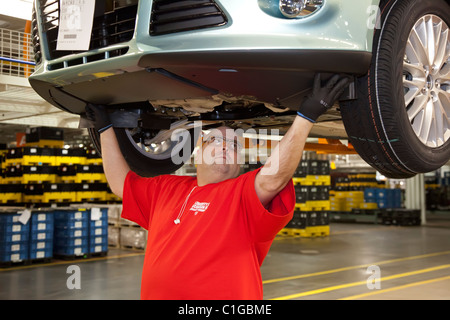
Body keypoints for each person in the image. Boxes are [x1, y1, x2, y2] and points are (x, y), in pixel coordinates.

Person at [86, 73, 349, 300]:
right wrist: (106, 128)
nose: (225, 146)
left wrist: (306, 116)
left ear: (240, 163)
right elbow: (121, 183)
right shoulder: (166, 188)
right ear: (196, 152)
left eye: (234, 145)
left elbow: (273, 177)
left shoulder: (241, 195)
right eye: (214, 140)